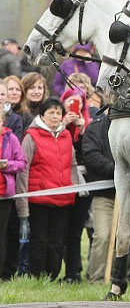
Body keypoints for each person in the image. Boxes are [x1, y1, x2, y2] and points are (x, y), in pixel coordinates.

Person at [16, 97, 81, 280]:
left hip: (62, 199)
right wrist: (23, 200)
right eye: (50, 112)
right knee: (39, 240)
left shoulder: (66, 135)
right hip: (39, 199)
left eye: (58, 113)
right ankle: (36, 276)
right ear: (42, 115)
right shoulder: (31, 136)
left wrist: (73, 187)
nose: (54, 116)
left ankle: (52, 276)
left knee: (57, 242)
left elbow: (73, 165)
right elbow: (24, 168)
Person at [59, 88, 91, 282]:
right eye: (71, 101)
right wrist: (63, 125)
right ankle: (56, 269)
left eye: (79, 102)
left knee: (76, 231)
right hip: (61, 182)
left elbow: (88, 152)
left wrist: (83, 129)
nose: (74, 106)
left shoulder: (87, 125)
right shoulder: (56, 121)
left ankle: (73, 272)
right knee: (60, 229)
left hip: (83, 183)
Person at [81, 111, 114, 283]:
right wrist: (117, 170)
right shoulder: (96, 128)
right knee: (102, 236)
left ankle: (119, 277)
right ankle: (97, 278)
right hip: (104, 194)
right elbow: (91, 155)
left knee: (124, 239)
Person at [0, 103, 26, 280]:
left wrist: (6, 165)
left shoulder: (10, 137)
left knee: (2, 235)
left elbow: (22, 163)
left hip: (4, 195)